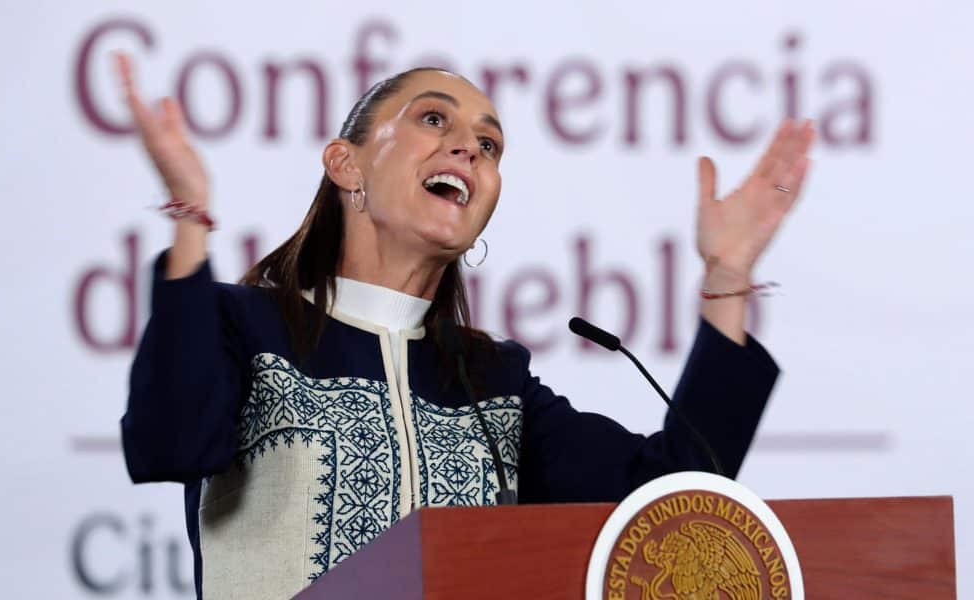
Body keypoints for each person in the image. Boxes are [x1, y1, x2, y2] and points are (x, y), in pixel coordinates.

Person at [115, 52, 813, 599]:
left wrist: (727, 278)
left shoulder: (491, 380)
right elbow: (169, 443)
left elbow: (677, 499)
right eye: (432, 120)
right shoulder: (245, 326)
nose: (469, 149)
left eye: (491, 143)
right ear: (344, 162)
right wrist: (191, 221)